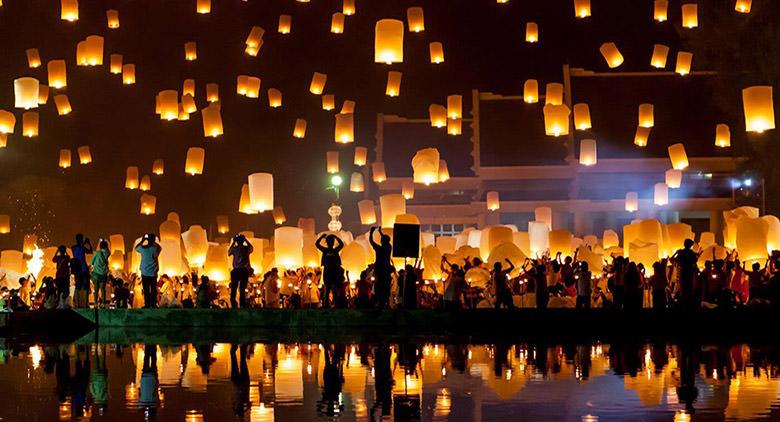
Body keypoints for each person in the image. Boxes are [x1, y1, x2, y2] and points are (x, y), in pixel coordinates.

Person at [316, 234, 345, 308]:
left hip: (333, 272)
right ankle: (327, 305)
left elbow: (341, 245)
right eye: (329, 242)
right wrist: (322, 237)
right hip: (328, 272)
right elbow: (317, 244)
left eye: (331, 241)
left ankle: (334, 305)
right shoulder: (326, 250)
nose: (330, 243)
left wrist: (335, 237)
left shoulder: (335, 250)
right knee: (328, 289)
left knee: (332, 289)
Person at [134, 233, 161, 308]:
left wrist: (143, 240)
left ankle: (147, 304)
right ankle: (153, 304)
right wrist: (153, 242)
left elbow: (136, 248)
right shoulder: (155, 248)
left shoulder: (143, 248)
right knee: (153, 290)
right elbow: (160, 248)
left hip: (145, 272)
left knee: (146, 290)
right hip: (153, 272)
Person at [672, 239, 700, 310]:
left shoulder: (681, 252)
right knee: (689, 288)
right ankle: (688, 304)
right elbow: (695, 260)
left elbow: (675, 260)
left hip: (683, 272)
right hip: (689, 272)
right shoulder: (691, 253)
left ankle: (683, 303)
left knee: (683, 288)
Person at [369, 227, 393, 308]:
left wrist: (371, 232)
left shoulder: (379, 249)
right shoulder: (389, 247)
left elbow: (371, 241)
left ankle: (379, 302)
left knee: (378, 287)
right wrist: (380, 232)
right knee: (386, 288)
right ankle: (386, 303)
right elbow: (386, 240)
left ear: (382, 241)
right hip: (386, 271)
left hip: (379, 271)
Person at [228, 234, 254, 309]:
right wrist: (245, 239)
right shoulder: (246, 248)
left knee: (234, 288)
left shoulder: (235, 248)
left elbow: (229, 252)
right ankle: (242, 303)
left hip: (236, 270)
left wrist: (233, 242)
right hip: (243, 270)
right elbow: (251, 248)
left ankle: (233, 302)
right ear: (243, 241)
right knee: (242, 288)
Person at [70, 234, 93, 308]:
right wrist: (87, 243)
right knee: (83, 286)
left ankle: (79, 304)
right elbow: (89, 251)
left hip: (78, 269)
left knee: (79, 286)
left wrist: (87, 243)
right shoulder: (77, 247)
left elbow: (90, 251)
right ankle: (84, 303)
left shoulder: (74, 247)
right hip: (82, 269)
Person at [89, 239, 111, 308]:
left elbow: (91, 262)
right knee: (103, 289)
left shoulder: (97, 253)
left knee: (96, 289)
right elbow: (108, 250)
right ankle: (103, 303)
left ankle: (95, 303)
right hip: (104, 273)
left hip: (96, 273)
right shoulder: (107, 253)